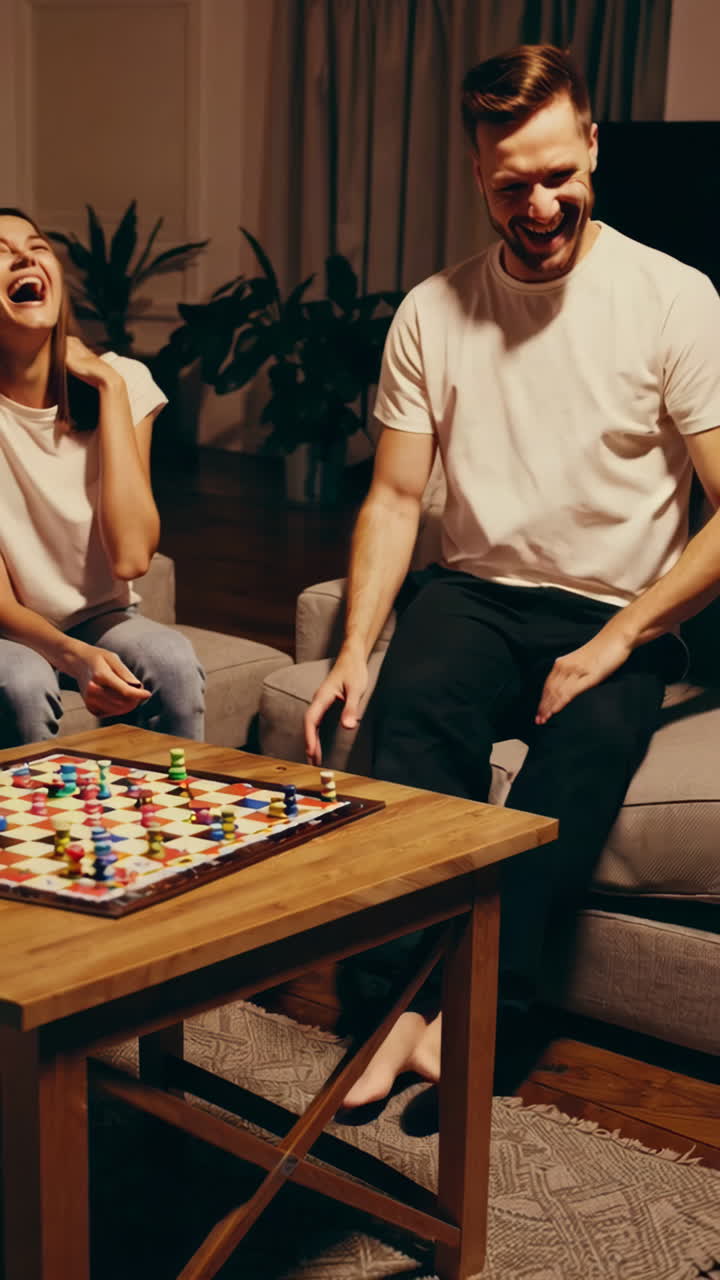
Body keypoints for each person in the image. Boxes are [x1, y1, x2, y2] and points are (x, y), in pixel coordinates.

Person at [304, 45, 720, 1108]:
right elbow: (397, 500)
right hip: (475, 591)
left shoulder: (676, 300)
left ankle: (485, 1011)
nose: (537, 204)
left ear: (592, 143)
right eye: (509, 184)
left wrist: (620, 639)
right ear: (475, 173)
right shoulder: (433, 314)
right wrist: (353, 647)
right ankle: (395, 1004)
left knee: (571, 768)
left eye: (555, 174)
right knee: (409, 726)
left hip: (621, 607)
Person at [0, 208, 205, 746]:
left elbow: (132, 557)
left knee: (173, 659)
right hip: (7, 629)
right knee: (22, 681)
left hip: (98, 615)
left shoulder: (122, 381)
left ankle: (172, 822)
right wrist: (71, 655)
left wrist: (109, 388)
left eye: (36, 245)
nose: (23, 255)